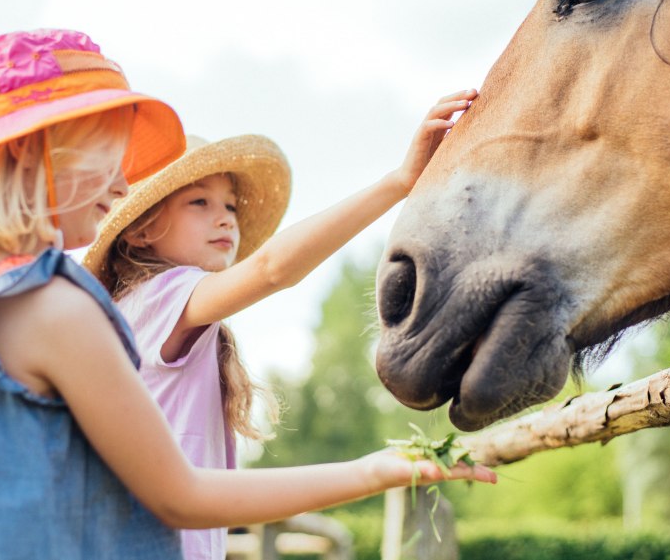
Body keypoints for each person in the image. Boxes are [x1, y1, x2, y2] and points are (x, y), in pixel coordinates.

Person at [0, 28, 494, 560]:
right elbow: (179, 497)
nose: (120, 183)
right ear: (37, 152)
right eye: (109, 156)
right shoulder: (55, 307)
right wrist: (375, 471)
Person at [81, 89, 479, 559]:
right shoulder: (157, 299)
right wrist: (398, 182)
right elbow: (272, 269)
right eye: (199, 203)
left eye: (229, 206)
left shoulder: (142, 314)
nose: (225, 219)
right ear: (142, 229)